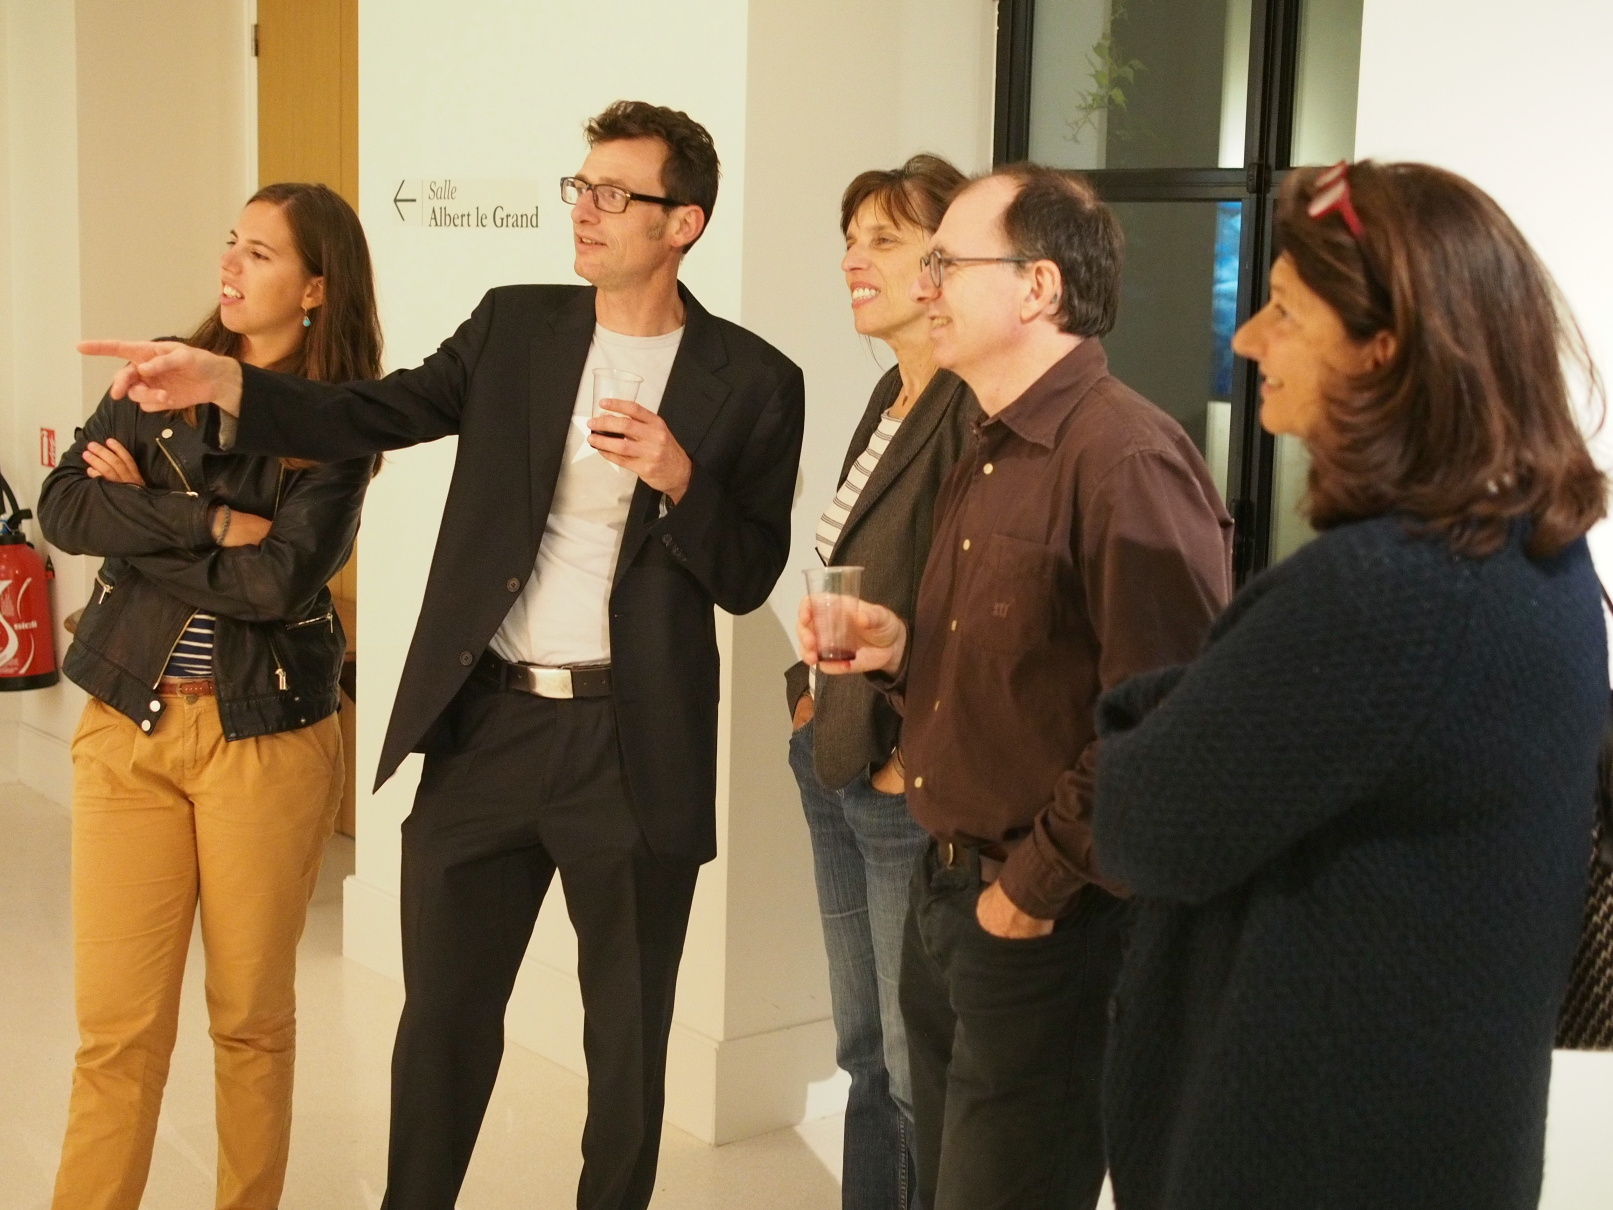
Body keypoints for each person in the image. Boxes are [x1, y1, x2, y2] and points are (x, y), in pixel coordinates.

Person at [80, 100, 804, 1210]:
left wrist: (679, 479)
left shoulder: (752, 380)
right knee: (442, 1029)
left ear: (682, 224)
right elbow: (376, 410)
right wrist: (229, 384)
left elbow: (748, 573)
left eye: (616, 194)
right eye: (581, 186)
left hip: (629, 744)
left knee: (625, 1046)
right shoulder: (518, 325)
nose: (586, 209)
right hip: (488, 725)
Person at [1090, 161, 1609, 1210]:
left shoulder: (1384, 591)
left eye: (1283, 309)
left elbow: (1140, 825)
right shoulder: (1537, 554)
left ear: (1384, 346)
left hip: (1312, 1152)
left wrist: (1159, 703)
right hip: (1442, 1133)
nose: (1247, 340)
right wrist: (1223, 686)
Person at [801, 164, 1234, 1209]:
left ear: (1037, 287)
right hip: (950, 891)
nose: (926, 285)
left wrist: (1025, 894)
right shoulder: (990, 442)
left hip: (1045, 919)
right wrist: (900, 652)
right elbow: (1023, 670)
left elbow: (1165, 724)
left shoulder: (1123, 458)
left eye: (947, 262)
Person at [40, 182, 379, 1210]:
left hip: (263, 740)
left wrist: (142, 507)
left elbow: (278, 584)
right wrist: (207, 522)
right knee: (117, 1032)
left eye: (260, 253)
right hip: (127, 725)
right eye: (231, 242)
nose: (229, 265)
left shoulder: (338, 424)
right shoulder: (158, 376)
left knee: (250, 1022)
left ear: (315, 288)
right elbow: (66, 507)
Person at [785, 153, 976, 1210]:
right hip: (832, 751)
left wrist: (905, 750)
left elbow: (966, 606)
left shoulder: (968, 407)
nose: (853, 259)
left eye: (884, 240)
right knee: (860, 1050)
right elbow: (849, 561)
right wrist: (803, 693)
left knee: (911, 1066)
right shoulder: (888, 392)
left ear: (944, 265)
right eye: (850, 239)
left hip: (901, 778)